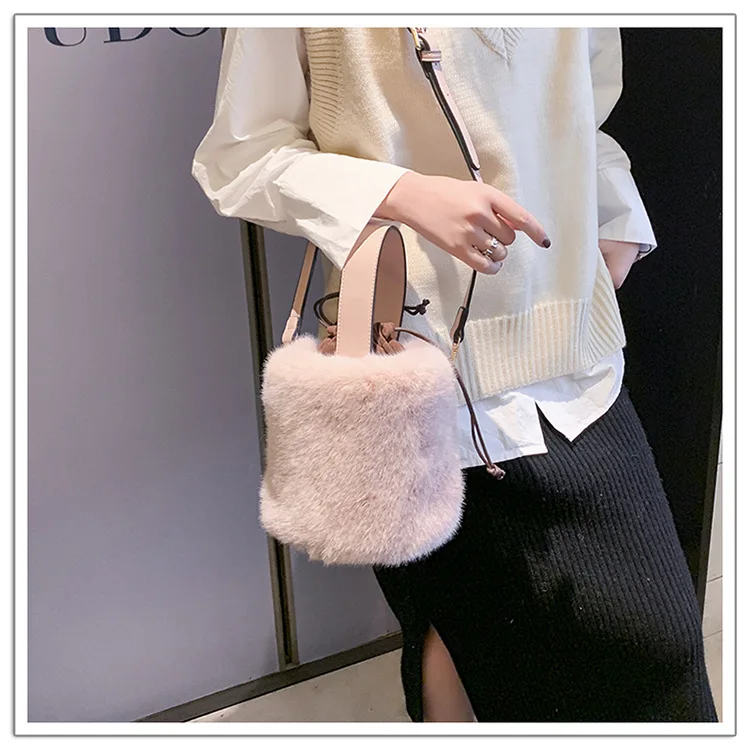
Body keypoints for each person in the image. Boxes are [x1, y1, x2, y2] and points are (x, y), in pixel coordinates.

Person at [192, 26, 718, 723]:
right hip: (422, 378)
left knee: (651, 657)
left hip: (578, 361)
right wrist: (401, 192)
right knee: (462, 643)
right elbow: (242, 155)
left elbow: (582, 108)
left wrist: (615, 211)